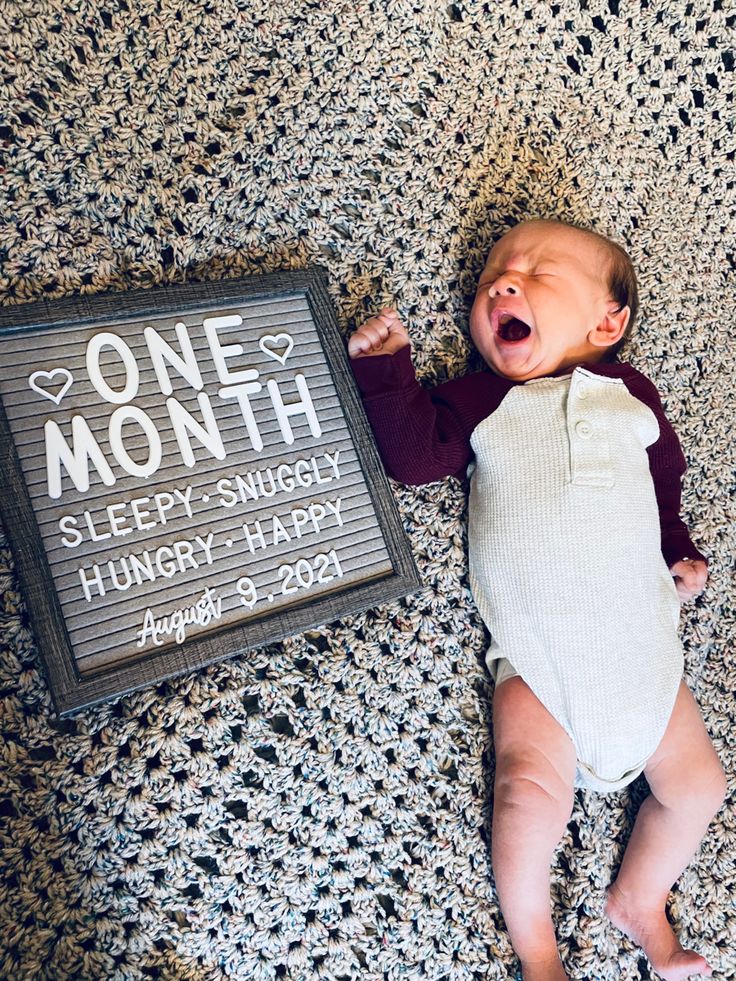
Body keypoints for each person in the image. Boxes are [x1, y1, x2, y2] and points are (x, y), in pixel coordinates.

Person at [347, 219, 726, 981]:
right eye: (494, 275)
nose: (504, 282)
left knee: (699, 786)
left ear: (606, 321)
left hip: (640, 652)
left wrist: (677, 550)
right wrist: (389, 374)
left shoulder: (634, 399)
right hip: (539, 661)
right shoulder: (483, 398)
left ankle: (641, 900)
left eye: (536, 272)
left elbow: (660, 490)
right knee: (526, 795)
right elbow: (416, 457)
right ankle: (541, 955)